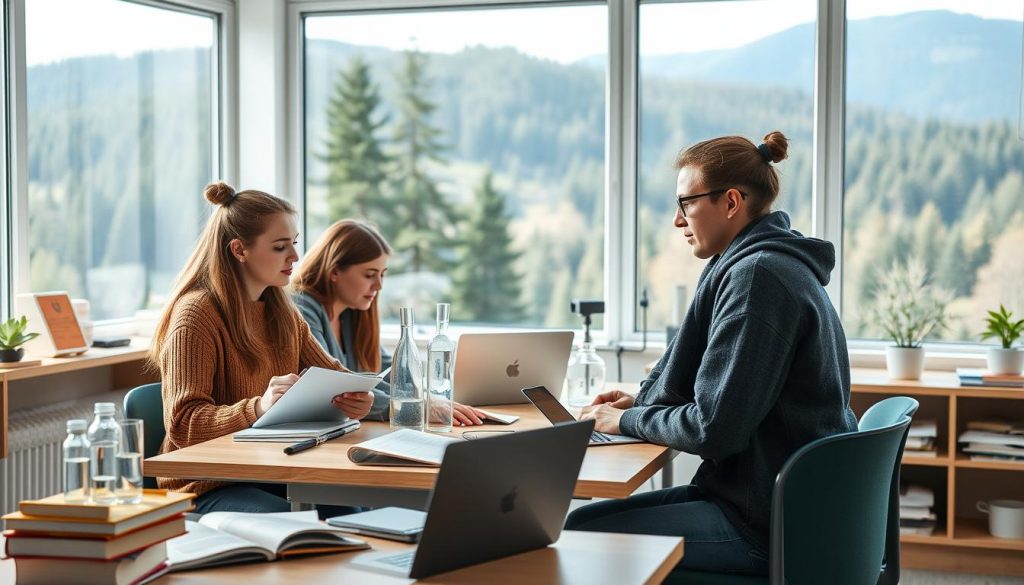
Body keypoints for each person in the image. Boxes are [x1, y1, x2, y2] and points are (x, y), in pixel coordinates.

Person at [568, 131, 858, 575]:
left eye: (686, 203)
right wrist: (640, 406)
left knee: (581, 540)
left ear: (731, 202)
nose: (677, 220)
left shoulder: (758, 278)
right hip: (786, 506)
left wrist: (626, 420)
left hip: (768, 525)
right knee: (579, 524)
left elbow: (714, 429)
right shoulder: (764, 264)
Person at [149, 182, 374, 515]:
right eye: (281, 247)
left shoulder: (283, 312)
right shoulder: (196, 315)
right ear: (240, 250)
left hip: (269, 469)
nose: (295, 257)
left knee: (352, 511)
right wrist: (259, 407)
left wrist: (355, 398)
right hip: (207, 485)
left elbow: (333, 375)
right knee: (294, 522)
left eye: (294, 244)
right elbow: (184, 424)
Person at [291, 219, 488, 426]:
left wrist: (434, 401)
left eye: (382, 275)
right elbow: (335, 387)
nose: (379, 285)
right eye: (369, 275)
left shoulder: (352, 313)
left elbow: (393, 373)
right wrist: (414, 407)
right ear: (334, 272)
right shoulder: (302, 308)